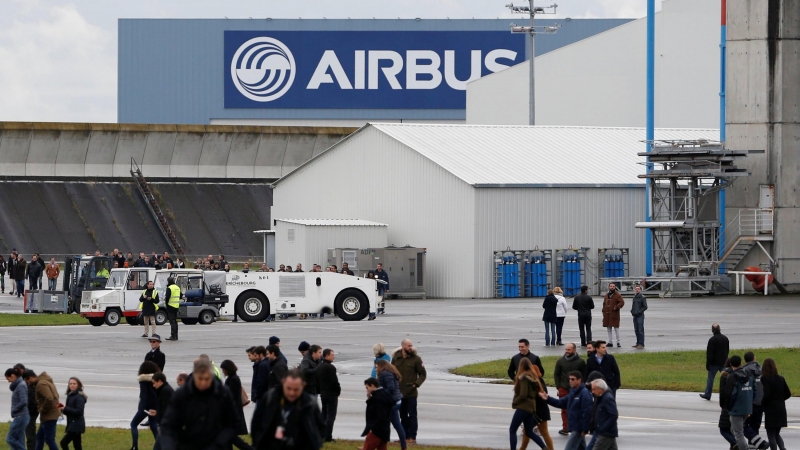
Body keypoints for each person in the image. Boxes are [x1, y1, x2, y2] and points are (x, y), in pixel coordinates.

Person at [160, 359, 239, 450]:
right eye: (200, 379)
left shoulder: (223, 394)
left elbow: (233, 423)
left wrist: (219, 442)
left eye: (207, 379)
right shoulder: (182, 395)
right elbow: (168, 425)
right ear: (194, 376)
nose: (203, 383)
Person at [250, 369, 324, 449]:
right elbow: (256, 424)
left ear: (303, 385)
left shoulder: (309, 404)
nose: (291, 393)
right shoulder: (270, 399)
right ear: (283, 382)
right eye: (288, 388)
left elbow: (320, 429)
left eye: (296, 389)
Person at [540, 370, 593, 450]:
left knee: (569, 448)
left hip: (578, 428)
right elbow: (560, 403)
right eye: (569, 379)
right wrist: (547, 398)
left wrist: (585, 429)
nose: (570, 381)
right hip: (574, 426)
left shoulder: (584, 393)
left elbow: (587, 412)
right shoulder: (573, 392)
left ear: (579, 380)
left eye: (573, 379)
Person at [391, 339, 426, 445]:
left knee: (412, 415)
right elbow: (391, 371)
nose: (410, 348)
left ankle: (412, 437)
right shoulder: (396, 358)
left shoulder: (416, 359)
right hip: (399, 392)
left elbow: (423, 374)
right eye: (408, 346)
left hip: (411, 392)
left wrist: (416, 384)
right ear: (402, 346)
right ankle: (404, 436)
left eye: (411, 345)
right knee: (402, 415)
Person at [509, 358, 548, 450]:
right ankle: (545, 448)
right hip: (531, 407)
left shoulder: (523, 378)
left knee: (512, 430)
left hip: (523, 407)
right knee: (529, 432)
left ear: (520, 367)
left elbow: (523, 394)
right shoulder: (534, 377)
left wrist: (515, 401)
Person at [553, 343, 587, 436]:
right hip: (563, 387)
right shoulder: (560, 361)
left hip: (576, 389)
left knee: (576, 408)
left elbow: (583, 375)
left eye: (569, 350)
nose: (567, 351)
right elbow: (556, 374)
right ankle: (565, 428)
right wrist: (558, 386)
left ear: (574, 350)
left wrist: (580, 386)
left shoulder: (580, 361)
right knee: (564, 409)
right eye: (566, 349)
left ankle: (575, 427)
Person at [220, 360, 253, 450]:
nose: (222, 371)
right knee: (229, 437)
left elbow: (230, 396)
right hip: (232, 412)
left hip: (231, 413)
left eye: (223, 369)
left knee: (231, 437)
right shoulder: (233, 378)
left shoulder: (233, 380)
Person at [723, 355, 753, 450]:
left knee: (738, 433)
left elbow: (730, 394)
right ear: (741, 363)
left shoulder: (732, 377)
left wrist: (728, 406)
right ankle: (743, 445)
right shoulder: (749, 375)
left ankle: (744, 448)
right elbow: (754, 390)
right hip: (747, 407)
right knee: (734, 429)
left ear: (731, 364)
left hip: (736, 409)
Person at [760, 358, 791, 450]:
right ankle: (783, 448)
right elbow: (788, 393)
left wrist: (763, 404)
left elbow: (767, 395)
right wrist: (780, 399)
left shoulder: (765, 379)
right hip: (781, 407)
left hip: (771, 409)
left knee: (771, 434)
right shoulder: (781, 378)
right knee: (777, 433)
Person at [375, 359, 406, 450]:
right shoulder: (389, 372)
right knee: (395, 424)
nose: (376, 369)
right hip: (395, 401)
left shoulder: (386, 373)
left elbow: (391, 388)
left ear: (381, 366)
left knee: (382, 425)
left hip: (391, 403)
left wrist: (381, 394)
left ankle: (373, 446)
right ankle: (403, 446)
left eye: (377, 367)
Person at [131, 361, 160, 450]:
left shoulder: (143, 380)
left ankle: (135, 446)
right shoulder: (156, 378)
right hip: (155, 405)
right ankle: (160, 446)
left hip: (145, 406)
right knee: (154, 426)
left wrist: (141, 409)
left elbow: (144, 395)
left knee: (133, 424)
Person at [361, 377, 395, 450]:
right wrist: (370, 399)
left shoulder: (377, 398)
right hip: (385, 429)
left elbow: (378, 414)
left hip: (377, 430)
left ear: (372, 386)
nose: (367, 390)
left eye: (367, 388)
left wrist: (372, 428)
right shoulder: (384, 393)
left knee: (367, 447)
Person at [316, 349, 341, 442]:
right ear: (326, 356)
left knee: (324, 414)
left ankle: (322, 434)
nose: (333, 356)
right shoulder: (330, 367)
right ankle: (328, 436)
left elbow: (317, 381)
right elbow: (334, 381)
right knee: (331, 416)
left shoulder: (319, 366)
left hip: (323, 393)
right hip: (331, 394)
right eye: (332, 355)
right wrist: (338, 390)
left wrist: (320, 391)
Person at [701, 323, 729, 400]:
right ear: (720, 329)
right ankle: (728, 393)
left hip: (714, 363)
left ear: (712, 330)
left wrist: (708, 364)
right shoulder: (725, 338)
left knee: (710, 379)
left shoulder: (712, 340)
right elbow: (727, 350)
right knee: (726, 378)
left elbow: (710, 353)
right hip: (724, 362)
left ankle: (708, 394)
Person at [33, 370, 59, 450]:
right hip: (49, 415)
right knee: (39, 437)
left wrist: (42, 409)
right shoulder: (47, 381)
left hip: (49, 415)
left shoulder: (41, 384)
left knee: (49, 439)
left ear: (30, 378)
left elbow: (49, 398)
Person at [590, 379, 618, 450]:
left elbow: (614, 415)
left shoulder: (607, 398)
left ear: (601, 389)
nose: (592, 392)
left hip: (606, 433)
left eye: (594, 389)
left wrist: (603, 429)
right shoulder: (599, 398)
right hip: (607, 433)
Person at [59, 377, 86, 450]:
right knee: (77, 446)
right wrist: (62, 409)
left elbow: (79, 412)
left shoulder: (79, 397)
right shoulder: (70, 395)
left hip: (76, 425)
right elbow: (70, 411)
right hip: (72, 423)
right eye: (70, 384)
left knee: (63, 443)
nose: (72, 385)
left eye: (74, 384)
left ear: (78, 385)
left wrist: (66, 408)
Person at [6, 368, 29, 450]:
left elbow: (24, 401)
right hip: (21, 416)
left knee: (10, 438)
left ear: (12, 376)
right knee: (19, 439)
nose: (8, 381)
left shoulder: (21, 385)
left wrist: (14, 410)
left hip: (21, 416)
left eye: (8, 379)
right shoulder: (20, 385)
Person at [150, 372, 174, 450]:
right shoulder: (164, 390)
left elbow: (167, 411)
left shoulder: (165, 391)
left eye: (154, 383)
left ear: (160, 381)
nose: (153, 386)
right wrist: (157, 412)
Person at [601, 284, 624, 348]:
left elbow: (622, 302)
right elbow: (604, 303)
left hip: (614, 314)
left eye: (613, 286)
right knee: (609, 329)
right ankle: (610, 342)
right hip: (607, 315)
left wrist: (616, 307)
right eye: (611, 286)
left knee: (616, 328)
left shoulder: (617, 295)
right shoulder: (606, 295)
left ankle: (618, 342)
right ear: (609, 287)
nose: (612, 287)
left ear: (615, 287)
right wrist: (603, 310)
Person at [22, 369, 38, 450]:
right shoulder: (33, 386)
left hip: (30, 414)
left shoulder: (32, 388)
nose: (26, 383)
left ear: (30, 378)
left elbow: (32, 403)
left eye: (26, 381)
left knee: (30, 435)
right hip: (32, 413)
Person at [164, 277, 181, 341]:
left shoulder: (169, 288)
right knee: (175, 321)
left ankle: (173, 336)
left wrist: (166, 304)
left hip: (170, 305)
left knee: (172, 321)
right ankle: (176, 335)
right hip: (176, 306)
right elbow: (181, 295)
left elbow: (167, 297)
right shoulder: (177, 287)